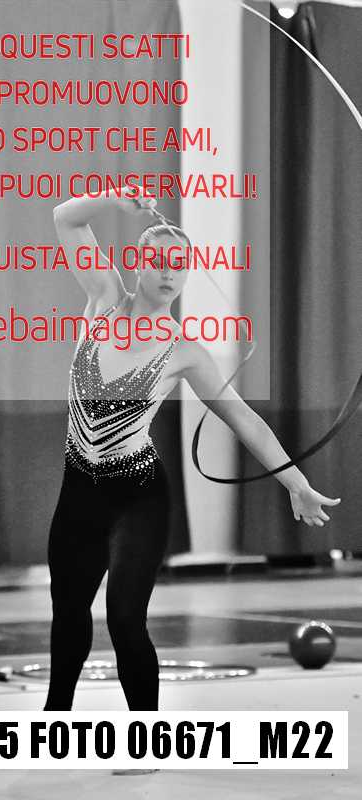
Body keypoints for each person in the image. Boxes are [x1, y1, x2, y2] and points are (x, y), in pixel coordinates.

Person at [43, 190, 341, 712]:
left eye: (178, 265)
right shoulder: (102, 299)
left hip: (138, 496)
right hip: (80, 492)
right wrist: (115, 200)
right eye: (158, 261)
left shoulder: (186, 352)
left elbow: (243, 419)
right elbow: (65, 218)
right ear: (137, 262)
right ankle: (54, 722)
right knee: (68, 614)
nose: (167, 273)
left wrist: (296, 483)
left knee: (125, 619)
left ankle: (146, 734)